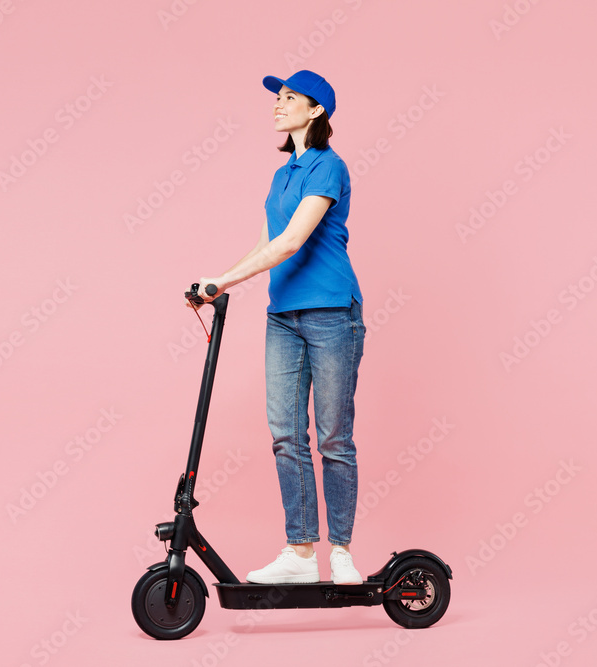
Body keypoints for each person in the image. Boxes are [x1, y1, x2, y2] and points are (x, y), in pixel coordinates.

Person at [189, 70, 365, 585]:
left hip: (332, 311)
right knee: (286, 435)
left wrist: (228, 279)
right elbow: (267, 240)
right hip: (283, 315)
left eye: (290, 98)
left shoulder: (328, 167)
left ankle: (341, 553)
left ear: (316, 111)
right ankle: (300, 552)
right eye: (277, 97)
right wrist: (222, 281)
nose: (278, 104)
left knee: (334, 437)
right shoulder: (281, 175)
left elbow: (292, 242)